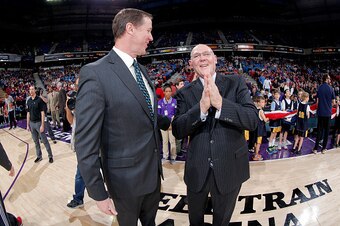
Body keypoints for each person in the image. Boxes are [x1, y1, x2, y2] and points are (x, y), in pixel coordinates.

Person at [75, 8, 170, 226]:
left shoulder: (142, 71)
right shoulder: (95, 73)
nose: (151, 37)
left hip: (153, 178)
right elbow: (85, 142)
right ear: (130, 29)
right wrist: (98, 192)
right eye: (148, 30)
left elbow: (147, 114)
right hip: (123, 184)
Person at [172, 44, 258, 226]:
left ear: (215, 59)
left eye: (206, 54)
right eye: (196, 56)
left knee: (222, 221)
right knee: (195, 221)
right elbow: (178, 130)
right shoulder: (184, 93)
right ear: (191, 63)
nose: (202, 58)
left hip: (230, 167)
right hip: (197, 169)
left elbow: (252, 120)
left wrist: (221, 104)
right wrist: (201, 109)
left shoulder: (236, 82)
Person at [65, 77, 86, 209]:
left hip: (97, 143)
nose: (77, 88)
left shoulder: (94, 98)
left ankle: (115, 196)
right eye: (76, 86)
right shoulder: (76, 101)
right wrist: (68, 107)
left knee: (106, 172)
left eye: (80, 84)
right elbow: (71, 121)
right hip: (81, 143)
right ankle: (78, 198)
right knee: (80, 173)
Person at [26, 85, 54, 163]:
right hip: (32, 124)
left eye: (32, 89)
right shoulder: (29, 101)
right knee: (36, 142)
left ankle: (50, 156)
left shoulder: (39, 100)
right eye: (30, 89)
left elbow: (42, 113)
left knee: (45, 141)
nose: (31, 91)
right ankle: (39, 156)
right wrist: (27, 125)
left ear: (35, 90)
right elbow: (28, 113)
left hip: (38, 123)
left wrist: (42, 125)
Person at [312, 74, 336, 154]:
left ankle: (315, 148)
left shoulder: (320, 88)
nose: (330, 80)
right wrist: (329, 106)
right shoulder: (331, 88)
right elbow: (333, 102)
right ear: (327, 79)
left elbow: (317, 101)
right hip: (328, 113)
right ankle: (324, 149)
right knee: (326, 131)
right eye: (329, 78)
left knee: (319, 131)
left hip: (320, 112)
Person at [158, 84, 177, 164]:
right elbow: (159, 114)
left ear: (171, 92)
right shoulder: (160, 102)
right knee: (165, 141)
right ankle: (165, 156)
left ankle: (173, 157)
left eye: (170, 91)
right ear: (164, 92)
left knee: (172, 141)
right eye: (166, 91)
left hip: (172, 125)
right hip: (163, 125)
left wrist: (172, 122)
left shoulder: (174, 101)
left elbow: (176, 113)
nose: (168, 93)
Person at [253, 96, 269, 160]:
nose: (263, 103)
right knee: (258, 143)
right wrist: (268, 118)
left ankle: (255, 154)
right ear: (258, 103)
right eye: (262, 102)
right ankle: (256, 155)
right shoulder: (261, 111)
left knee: (255, 142)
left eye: (264, 102)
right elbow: (265, 120)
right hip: (260, 129)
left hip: (255, 128)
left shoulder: (255, 109)